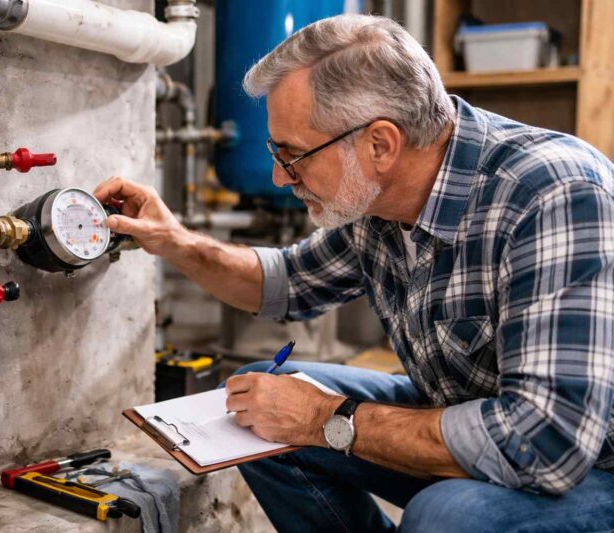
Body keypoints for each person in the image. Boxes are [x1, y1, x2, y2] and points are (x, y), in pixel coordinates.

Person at [95, 13, 614, 533]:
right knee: (259, 402)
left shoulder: (552, 193)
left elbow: (546, 445)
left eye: (293, 154)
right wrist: (175, 242)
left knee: (447, 517)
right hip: (471, 416)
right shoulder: (379, 203)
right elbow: (284, 283)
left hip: (587, 464)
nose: (279, 176)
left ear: (380, 145)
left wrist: (326, 419)